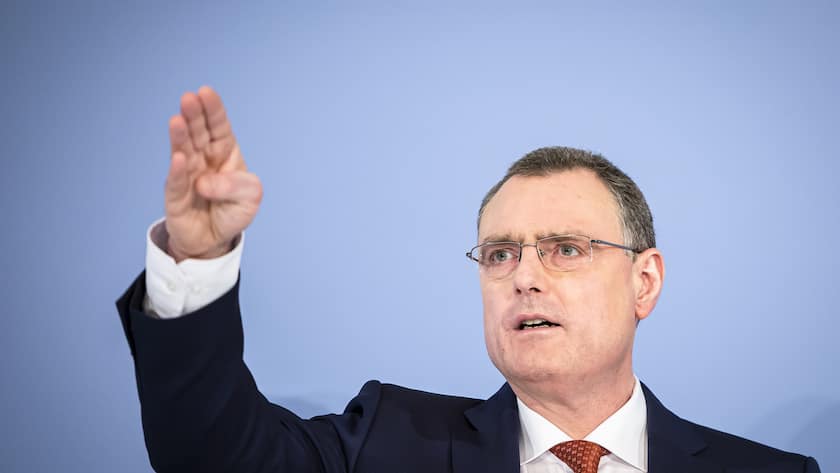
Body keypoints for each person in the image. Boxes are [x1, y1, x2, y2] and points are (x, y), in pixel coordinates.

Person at [117, 86, 821, 473]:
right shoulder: (384, 443)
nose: (525, 277)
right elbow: (213, 457)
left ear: (645, 281)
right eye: (500, 254)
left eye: (566, 249)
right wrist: (198, 258)